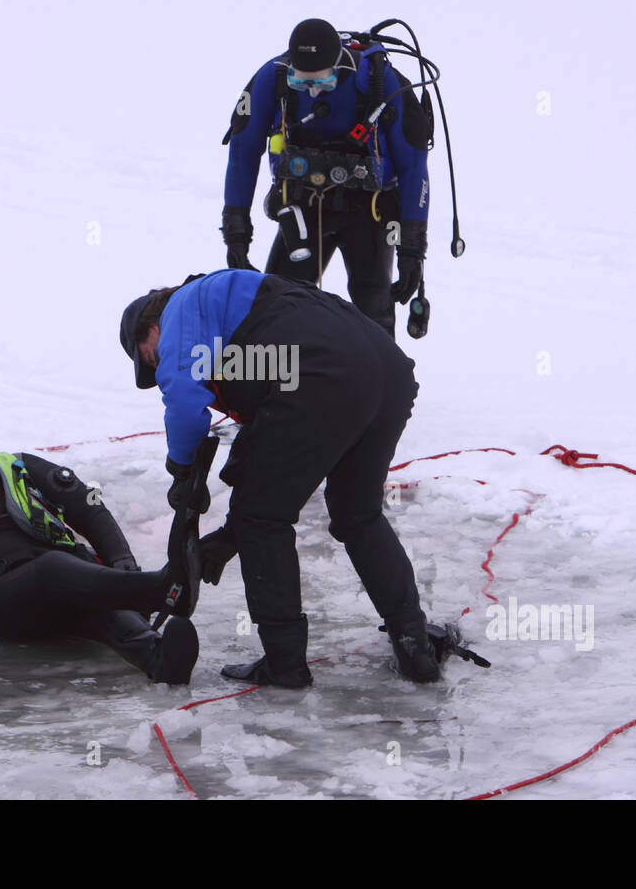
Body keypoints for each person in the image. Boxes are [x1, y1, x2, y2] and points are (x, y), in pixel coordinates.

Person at [119, 270, 445, 688]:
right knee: (356, 514)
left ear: (152, 325)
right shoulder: (241, 314)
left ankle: (284, 664)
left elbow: (183, 400)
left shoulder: (183, 307)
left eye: (150, 356)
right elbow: (270, 453)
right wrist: (228, 537)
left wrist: (181, 471)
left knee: (263, 520)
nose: (158, 362)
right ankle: (413, 645)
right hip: (386, 372)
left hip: (320, 372)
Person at [0, 393, 198, 684]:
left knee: (93, 603)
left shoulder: (9, 465)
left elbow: (87, 506)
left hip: (63, 582)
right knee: (54, 570)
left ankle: (159, 659)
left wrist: (123, 565)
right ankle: (158, 591)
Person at [220, 18, 432, 337]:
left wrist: (411, 249)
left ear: (338, 65)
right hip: (303, 203)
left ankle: (382, 383)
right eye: (301, 82)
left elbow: (414, 167)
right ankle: (282, 381)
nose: (313, 90)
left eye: (323, 82)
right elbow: (242, 151)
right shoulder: (272, 78)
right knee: (276, 303)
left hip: (371, 208)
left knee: (374, 306)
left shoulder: (379, 81)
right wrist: (236, 228)